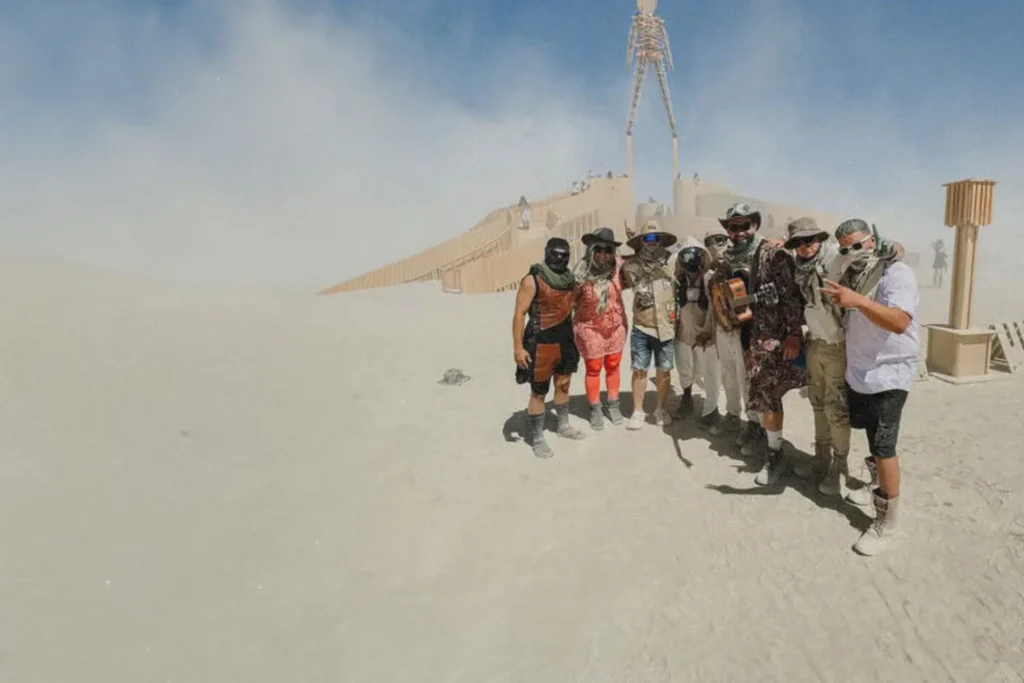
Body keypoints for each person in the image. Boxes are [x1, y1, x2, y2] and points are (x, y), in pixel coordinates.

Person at [820, 219, 917, 555]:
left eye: (858, 245)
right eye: (845, 248)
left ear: (874, 240)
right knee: (870, 436)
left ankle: (887, 522)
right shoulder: (852, 272)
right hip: (860, 372)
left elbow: (900, 321)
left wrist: (857, 301)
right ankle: (876, 482)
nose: (852, 253)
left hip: (890, 374)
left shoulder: (896, 273)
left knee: (883, 445)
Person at [708, 203, 806, 485]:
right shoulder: (728, 259)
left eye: (743, 225)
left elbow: (790, 298)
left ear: (755, 225)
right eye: (732, 227)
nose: (738, 232)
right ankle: (757, 431)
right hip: (746, 335)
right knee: (756, 390)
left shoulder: (773, 255)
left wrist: (793, 335)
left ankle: (775, 455)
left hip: (772, 338)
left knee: (770, 394)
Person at [786, 217, 851, 495]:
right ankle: (821, 458)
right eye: (798, 243)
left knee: (836, 409)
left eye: (809, 240)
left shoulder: (834, 259)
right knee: (818, 404)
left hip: (837, 345)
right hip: (814, 342)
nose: (804, 247)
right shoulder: (800, 268)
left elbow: (857, 257)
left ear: (820, 239)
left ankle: (840, 465)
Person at [512, 237, 586, 458]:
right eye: (555, 254)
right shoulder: (533, 279)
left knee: (563, 384)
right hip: (540, 341)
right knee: (539, 392)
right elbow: (519, 314)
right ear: (547, 253)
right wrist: (518, 348)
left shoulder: (570, 280)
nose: (560, 258)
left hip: (565, 340)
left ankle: (563, 425)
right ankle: (537, 437)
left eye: (564, 255)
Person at [621, 221, 678, 429]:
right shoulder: (631, 265)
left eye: (656, 238)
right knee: (639, 370)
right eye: (647, 238)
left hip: (666, 327)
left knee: (664, 372)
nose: (652, 243)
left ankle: (660, 409)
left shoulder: (672, 262)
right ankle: (637, 411)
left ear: (661, 240)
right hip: (642, 326)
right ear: (642, 241)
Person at [572, 227, 628, 430]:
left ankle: (613, 403)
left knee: (613, 365)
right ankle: (595, 408)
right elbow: (571, 300)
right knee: (594, 368)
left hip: (614, 327)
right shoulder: (581, 272)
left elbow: (639, 269)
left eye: (608, 250)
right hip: (590, 327)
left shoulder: (619, 269)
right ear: (591, 250)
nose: (604, 255)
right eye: (600, 249)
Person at [672, 237, 721, 427]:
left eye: (696, 256)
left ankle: (711, 409)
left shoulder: (709, 279)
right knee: (684, 369)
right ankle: (686, 398)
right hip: (683, 333)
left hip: (705, 335)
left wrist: (708, 331)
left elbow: (715, 307)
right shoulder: (678, 280)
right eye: (687, 256)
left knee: (709, 373)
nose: (691, 261)